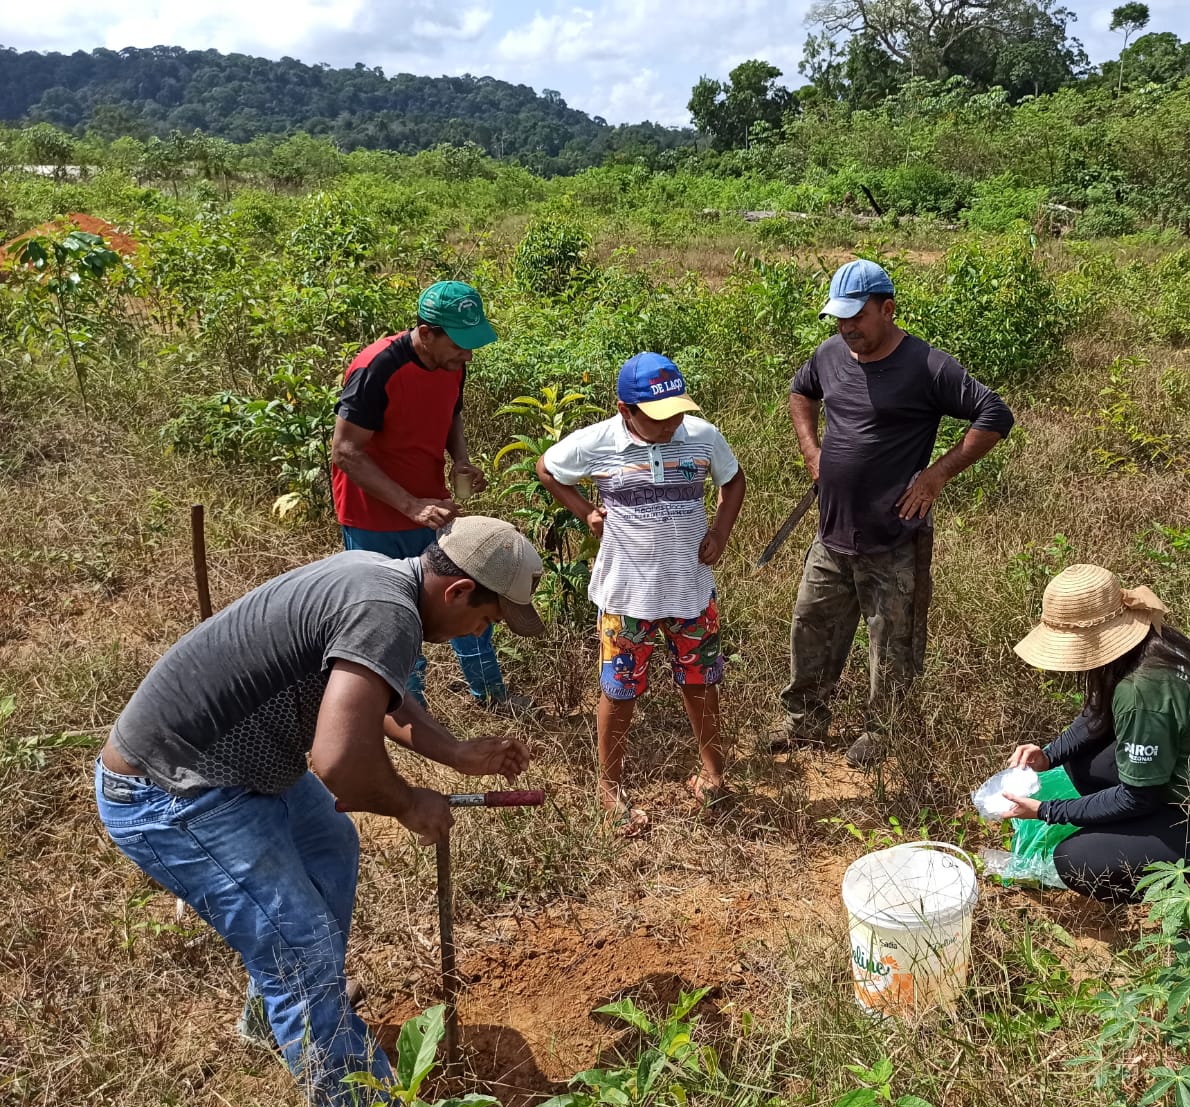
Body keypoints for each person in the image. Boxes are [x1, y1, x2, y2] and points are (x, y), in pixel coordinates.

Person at [94, 517, 544, 1107]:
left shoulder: (383, 583)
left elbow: (367, 694)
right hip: (174, 790)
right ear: (459, 590)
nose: (481, 633)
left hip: (237, 771)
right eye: (487, 619)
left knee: (329, 846)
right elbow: (338, 761)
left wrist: (455, 752)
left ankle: (273, 1016)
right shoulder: (389, 611)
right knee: (301, 950)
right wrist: (409, 803)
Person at [774, 259, 1014, 768]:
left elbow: (995, 414)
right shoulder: (830, 354)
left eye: (857, 317)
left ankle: (883, 732)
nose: (847, 328)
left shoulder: (927, 366)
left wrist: (937, 475)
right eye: (839, 318)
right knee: (811, 625)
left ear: (888, 309)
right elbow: (801, 391)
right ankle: (805, 720)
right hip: (832, 531)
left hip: (893, 537)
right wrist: (811, 451)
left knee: (892, 643)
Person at [535, 353, 745, 835]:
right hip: (626, 598)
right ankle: (610, 789)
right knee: (620, 690)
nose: (671, 423)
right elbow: (547, 468)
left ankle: (712, 773)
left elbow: (733, 481)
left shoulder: (701, 437)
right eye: (658, 416)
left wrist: (720, 531)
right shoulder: (598, 442)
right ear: (624, 410)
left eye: (677, 412)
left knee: (701, 682)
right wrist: (586, 511)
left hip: (691, 591)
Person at [996, 563, 1190, 904]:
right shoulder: (1153, 644)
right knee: (1082, 760)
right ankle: (1147, 832)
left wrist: (1047, 810)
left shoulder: (1141, 692)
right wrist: (1049, 755)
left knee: (1077, 859)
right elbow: (1097, 716)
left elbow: (1136, 797)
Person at [331, 280, 535, 711]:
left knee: (472, 596)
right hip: (374, 519)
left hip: (434, 508)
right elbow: (345, 452)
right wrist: (410, 505)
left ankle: (490, 693)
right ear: (426, 333)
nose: (468, 355)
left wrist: (460, 459)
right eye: (459, 344)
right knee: (391, 614)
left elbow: (451, 412)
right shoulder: (376, 368)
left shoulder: (451, 363)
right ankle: (409, 711)